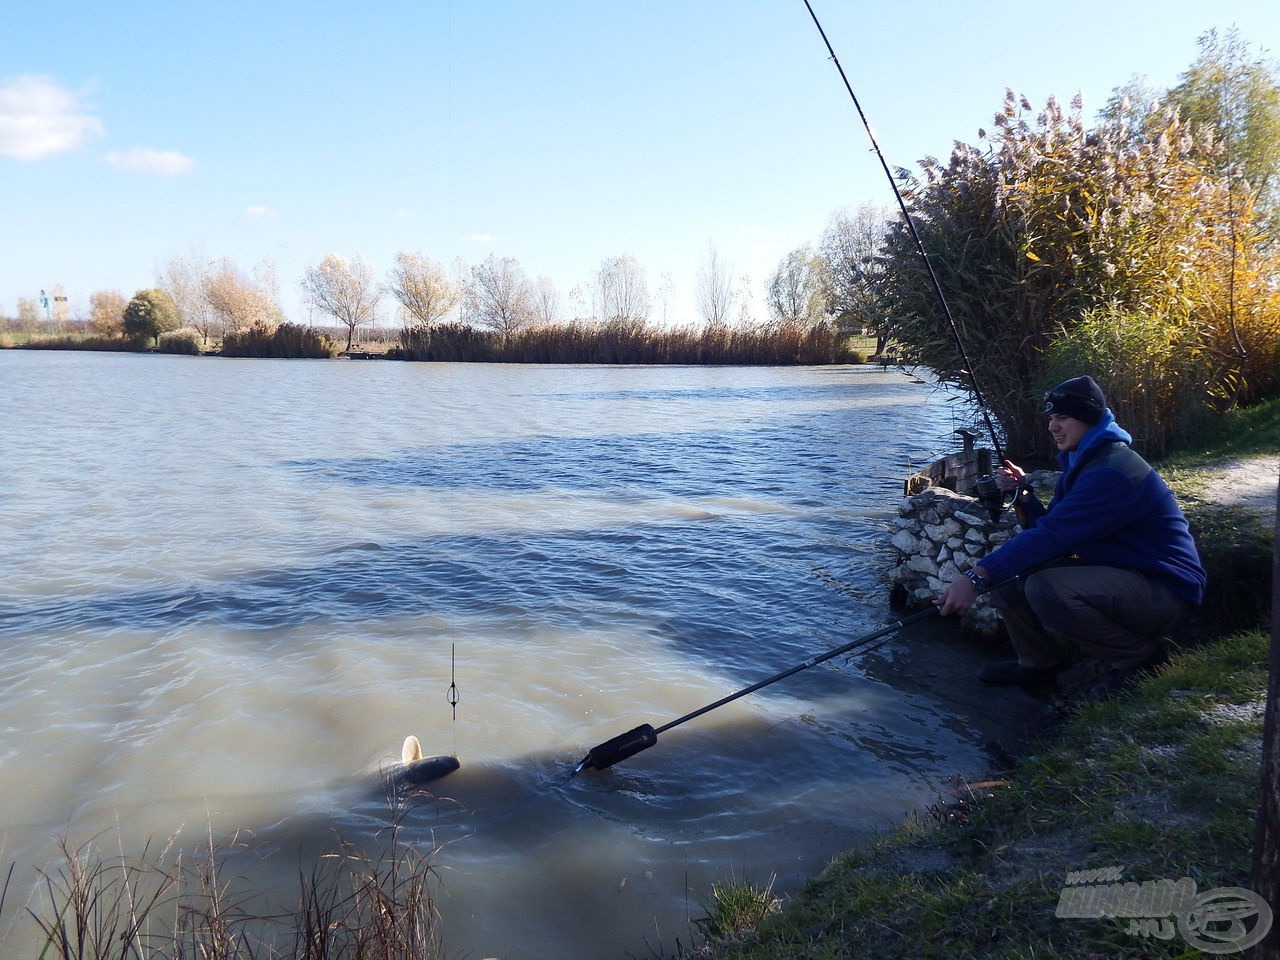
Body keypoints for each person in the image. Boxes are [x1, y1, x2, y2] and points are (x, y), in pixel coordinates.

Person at [937, 375, 1206, 690]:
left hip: (1165, 591)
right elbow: (1053, 529)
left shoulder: (1110, 471)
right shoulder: (1086, 461)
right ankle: (1037, 666)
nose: (1052, 427)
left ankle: (1140, 660)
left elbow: (1052, 536)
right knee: (1008, 582)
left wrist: (975, 577)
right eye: (1051, 418)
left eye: (1063, 418)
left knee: (1044, 587)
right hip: (1123, 573)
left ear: (1089, 418)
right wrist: (1023, 494)